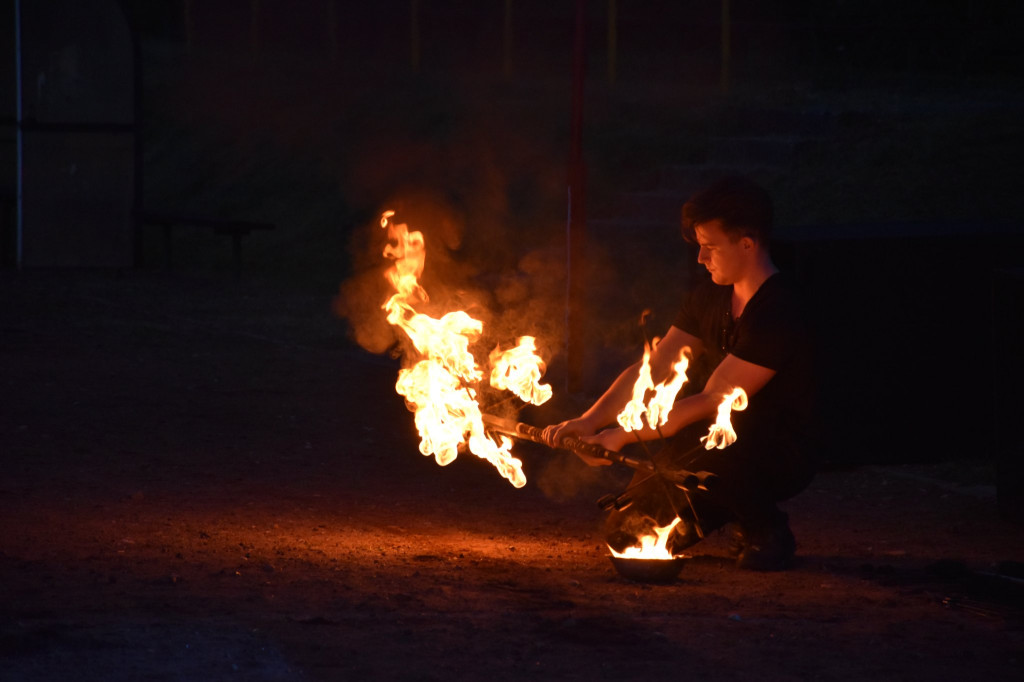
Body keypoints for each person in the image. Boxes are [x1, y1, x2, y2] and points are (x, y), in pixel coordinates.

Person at [543, 176, 816, 571]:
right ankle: (721, 510)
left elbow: (713, 399)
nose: (701, 259)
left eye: (709, 247)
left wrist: (620, 436)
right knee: (627, 534)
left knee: (720, 448)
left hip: (773, 449)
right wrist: (589, 422)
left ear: (747, 243)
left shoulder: (779, 310)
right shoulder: (711, 294)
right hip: (705, 444)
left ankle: (764, 526)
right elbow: (651, 368)